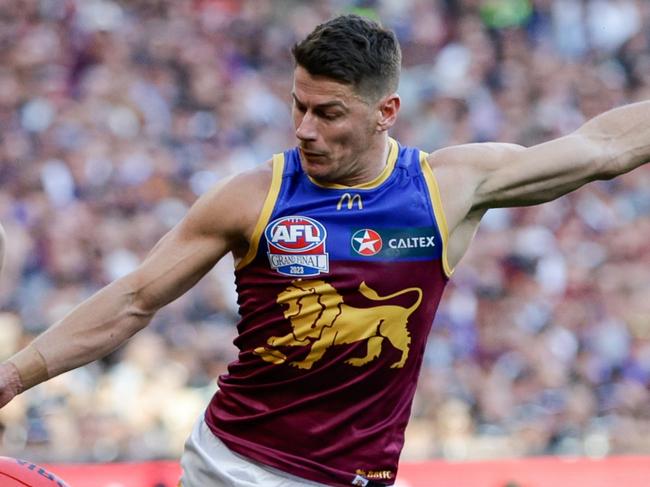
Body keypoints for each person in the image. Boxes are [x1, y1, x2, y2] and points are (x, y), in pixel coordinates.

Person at [0, 14, 648, 487]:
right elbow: (135, 297)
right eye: (298, 106)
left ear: (385, 110)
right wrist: (15, 375)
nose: (305, 129)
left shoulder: (446, 188)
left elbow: (602, 148)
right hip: (236, 467)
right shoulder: (253, 197)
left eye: (329, 113)